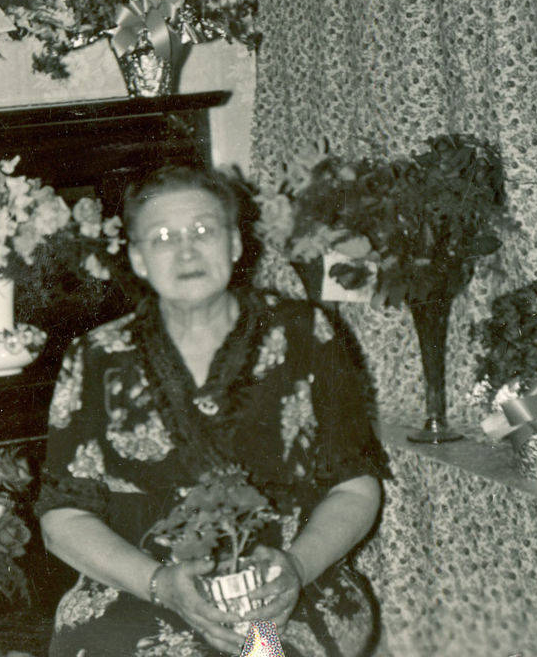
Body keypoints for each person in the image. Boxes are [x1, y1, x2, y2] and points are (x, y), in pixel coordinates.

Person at [35, 165, 390, 657]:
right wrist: (159, 583)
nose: (186, 251)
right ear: (138, 259)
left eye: (203, 231)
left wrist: (297, 568)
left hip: (279, 596)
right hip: (138, 591)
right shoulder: (97, 357)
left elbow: (355, 486)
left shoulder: (307, 333)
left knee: (262, 655)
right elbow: (63, 517)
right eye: (163, 238)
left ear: (236, 245)